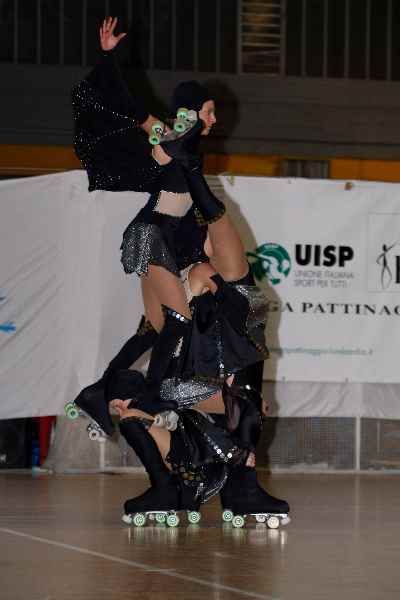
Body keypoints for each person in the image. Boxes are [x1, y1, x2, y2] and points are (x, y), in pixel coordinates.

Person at [71, 16, 289, 525]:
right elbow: (128, 109)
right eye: (209, 109)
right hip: (153, 237)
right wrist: (109, 58)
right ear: (192, 110)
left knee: (160, 330)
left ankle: (107, 394)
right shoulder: (172, 136)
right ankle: (140, 399)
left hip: (170, 245)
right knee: (175, 324)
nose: (214, 118)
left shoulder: (189, 152)